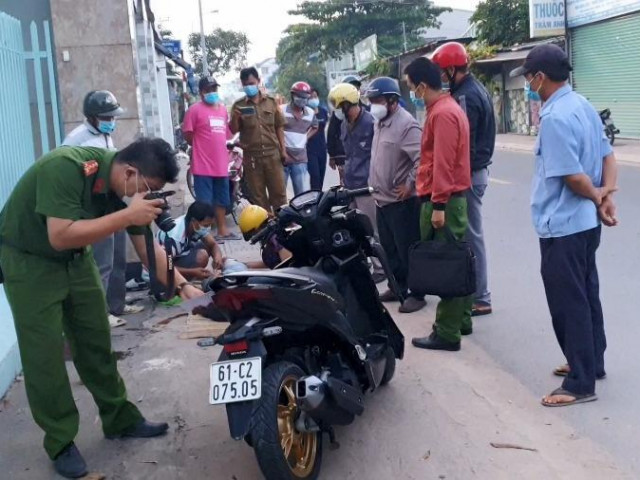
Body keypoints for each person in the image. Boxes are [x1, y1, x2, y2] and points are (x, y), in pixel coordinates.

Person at [0, 138, 203, 478]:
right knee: (45, 355)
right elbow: (59, 235)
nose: (148, 196)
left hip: (76, 261)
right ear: (129, 172)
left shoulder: (127, 193)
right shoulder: (64, 167)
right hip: (29, 262)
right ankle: (61, 441)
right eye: (148, 188)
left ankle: (119, 418)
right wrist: (127, 214)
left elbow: (146, 248)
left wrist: (183, 285)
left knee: (95, 340)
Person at [510, 45, 618, 407]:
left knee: (567, 301)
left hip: (564, 226)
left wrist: (596, 194)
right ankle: (591, 362)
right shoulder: (582, 105)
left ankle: (580, 383)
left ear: (540, 77)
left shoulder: (555, 116)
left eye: (528, 77)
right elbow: (607, 154)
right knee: (587, 293)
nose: (528, 84)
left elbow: (573, 177)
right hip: (585, 225)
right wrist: (604, 197)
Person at [404, 57, 472, 352]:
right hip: (448, 198)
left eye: (411, 88)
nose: (411, 93)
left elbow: (444, 164)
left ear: (422, 86)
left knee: (446, 267)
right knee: (456, 259)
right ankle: (462, 320)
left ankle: (447, 332)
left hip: (443, 198)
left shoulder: (442, 114)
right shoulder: (443, 109)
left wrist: (439, 205)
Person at [62, 90, 141, 329]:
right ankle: (101, 312)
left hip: (111, 202)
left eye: (112, 117)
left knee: (118, 257)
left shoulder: (105, 136)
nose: (111, 122)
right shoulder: (78, 140)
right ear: (92, 117)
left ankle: (117, 304)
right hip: (95, 208)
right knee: (102, 261)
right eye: (106, 118)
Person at [433, 42, 497, 318]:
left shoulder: (465, 97)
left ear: (451, 69)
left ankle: (481, 297)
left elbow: (464, 145)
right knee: (470, 236)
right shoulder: (469, 89)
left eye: (442, 72)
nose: (440, 78)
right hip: (474, 173)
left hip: (470, 175)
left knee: (471, 237)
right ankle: (475, 293)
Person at [366, 77, 426, 314]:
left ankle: (417, 293)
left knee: (407, 250)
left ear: (392, 101)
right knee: (389, 250)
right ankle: (397, 286)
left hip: (402, 202)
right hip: (382, 200)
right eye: (371, 101)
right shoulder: (379, 123)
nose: (373, 105)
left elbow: (422, 160)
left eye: (377, 100)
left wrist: (410, 184)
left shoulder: (406, 125)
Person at [328, 83, 385, 284]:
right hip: (351, 185)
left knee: (372, 229)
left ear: (347, 104)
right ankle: (366, 263)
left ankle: (381, 268)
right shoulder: (344, 125)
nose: (337, 111)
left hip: (367, 186)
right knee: (355, 228)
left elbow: (378, 155)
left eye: (338, 106)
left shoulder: (371, 123)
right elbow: (349, 155)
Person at [182, 76, 240, 241]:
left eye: (214, 89)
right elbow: (188, 134)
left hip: (221, 164)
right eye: (208, 90)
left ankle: (222, 230)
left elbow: (227, 133)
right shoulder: (194, 110)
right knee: (204, 203)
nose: (212, 93)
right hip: (202, 165)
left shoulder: (222, 110)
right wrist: (200, 147)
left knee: (222, 200)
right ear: (201, 92)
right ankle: (203, 235)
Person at [230, 67, 288, 213]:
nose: (248, 87)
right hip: (252, 158)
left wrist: (283, 150)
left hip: (272, 154)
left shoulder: (271, 102)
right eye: (245, 84)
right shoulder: (238, 105)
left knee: (279, 194)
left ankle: (283, 226)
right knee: (258, 197)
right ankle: (268, 229)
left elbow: (279, 127)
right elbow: (233, 130)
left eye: (251, 82)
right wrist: (236, 118)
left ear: (258, 81)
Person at [156, 201, 224, 280]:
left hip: (175, 257)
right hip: (159, 272)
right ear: (194, 221)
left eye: (209, 225)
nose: (207, 228)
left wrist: (217, 257)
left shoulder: (192, 223)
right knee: (202, 256)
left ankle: (191, 276)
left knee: (206, 246)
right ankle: (185, 280)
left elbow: (213, 244)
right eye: (206, 225)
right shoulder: (174, 238)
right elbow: (166, 267)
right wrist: (192, 272)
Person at [281, 81, 318, 196]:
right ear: (293, 95)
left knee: (301, 194)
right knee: (280, 193)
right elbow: (274, 129)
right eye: (299, 96)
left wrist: (305, 138)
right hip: (283, 159)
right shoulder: (281, 110)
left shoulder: (310, 113)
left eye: (305, 97)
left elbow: (315, 127)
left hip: (300, 159)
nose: (302, 100)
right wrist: (282, 150)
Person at [327, 75, 366, 185]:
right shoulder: (339, 114)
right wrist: (332, 155)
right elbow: (331, 133)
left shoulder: (367, 115)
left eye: (356, 88)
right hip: (343, 156)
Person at [238, 205, 292, 269]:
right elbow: (272, 262)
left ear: (259, 227)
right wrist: (245, 265)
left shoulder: (276, 239)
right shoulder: (271, 236)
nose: (253, 236)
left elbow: (287, 265)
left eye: (253, 233)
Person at [306, 87, 329, 190]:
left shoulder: (323, 111)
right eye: (310, 97)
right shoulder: (305, 113)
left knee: (321, 177)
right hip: (310, 150)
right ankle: (315, 201)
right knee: (315, 177)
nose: (313, 99)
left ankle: (319, 200)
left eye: (315, 96)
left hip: (322, 149)